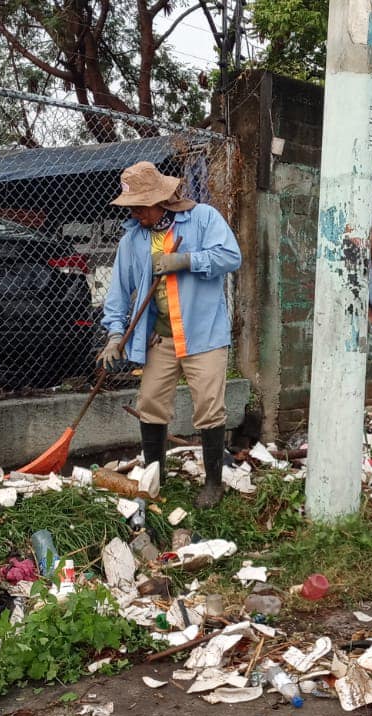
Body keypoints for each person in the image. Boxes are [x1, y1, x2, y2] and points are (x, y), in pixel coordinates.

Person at [96, 161, 242, 508]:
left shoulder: (203, 219)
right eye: (131, 207)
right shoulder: (132, 240)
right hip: (160, 338)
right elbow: (118, 294)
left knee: (208, 407)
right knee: (150, 403)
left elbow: (230, 257)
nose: (136, 214)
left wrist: (185, 261)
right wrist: (115, 337)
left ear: (161, 200)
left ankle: (212, 483)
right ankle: (153, 475)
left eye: (141, 207)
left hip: (202, 335)